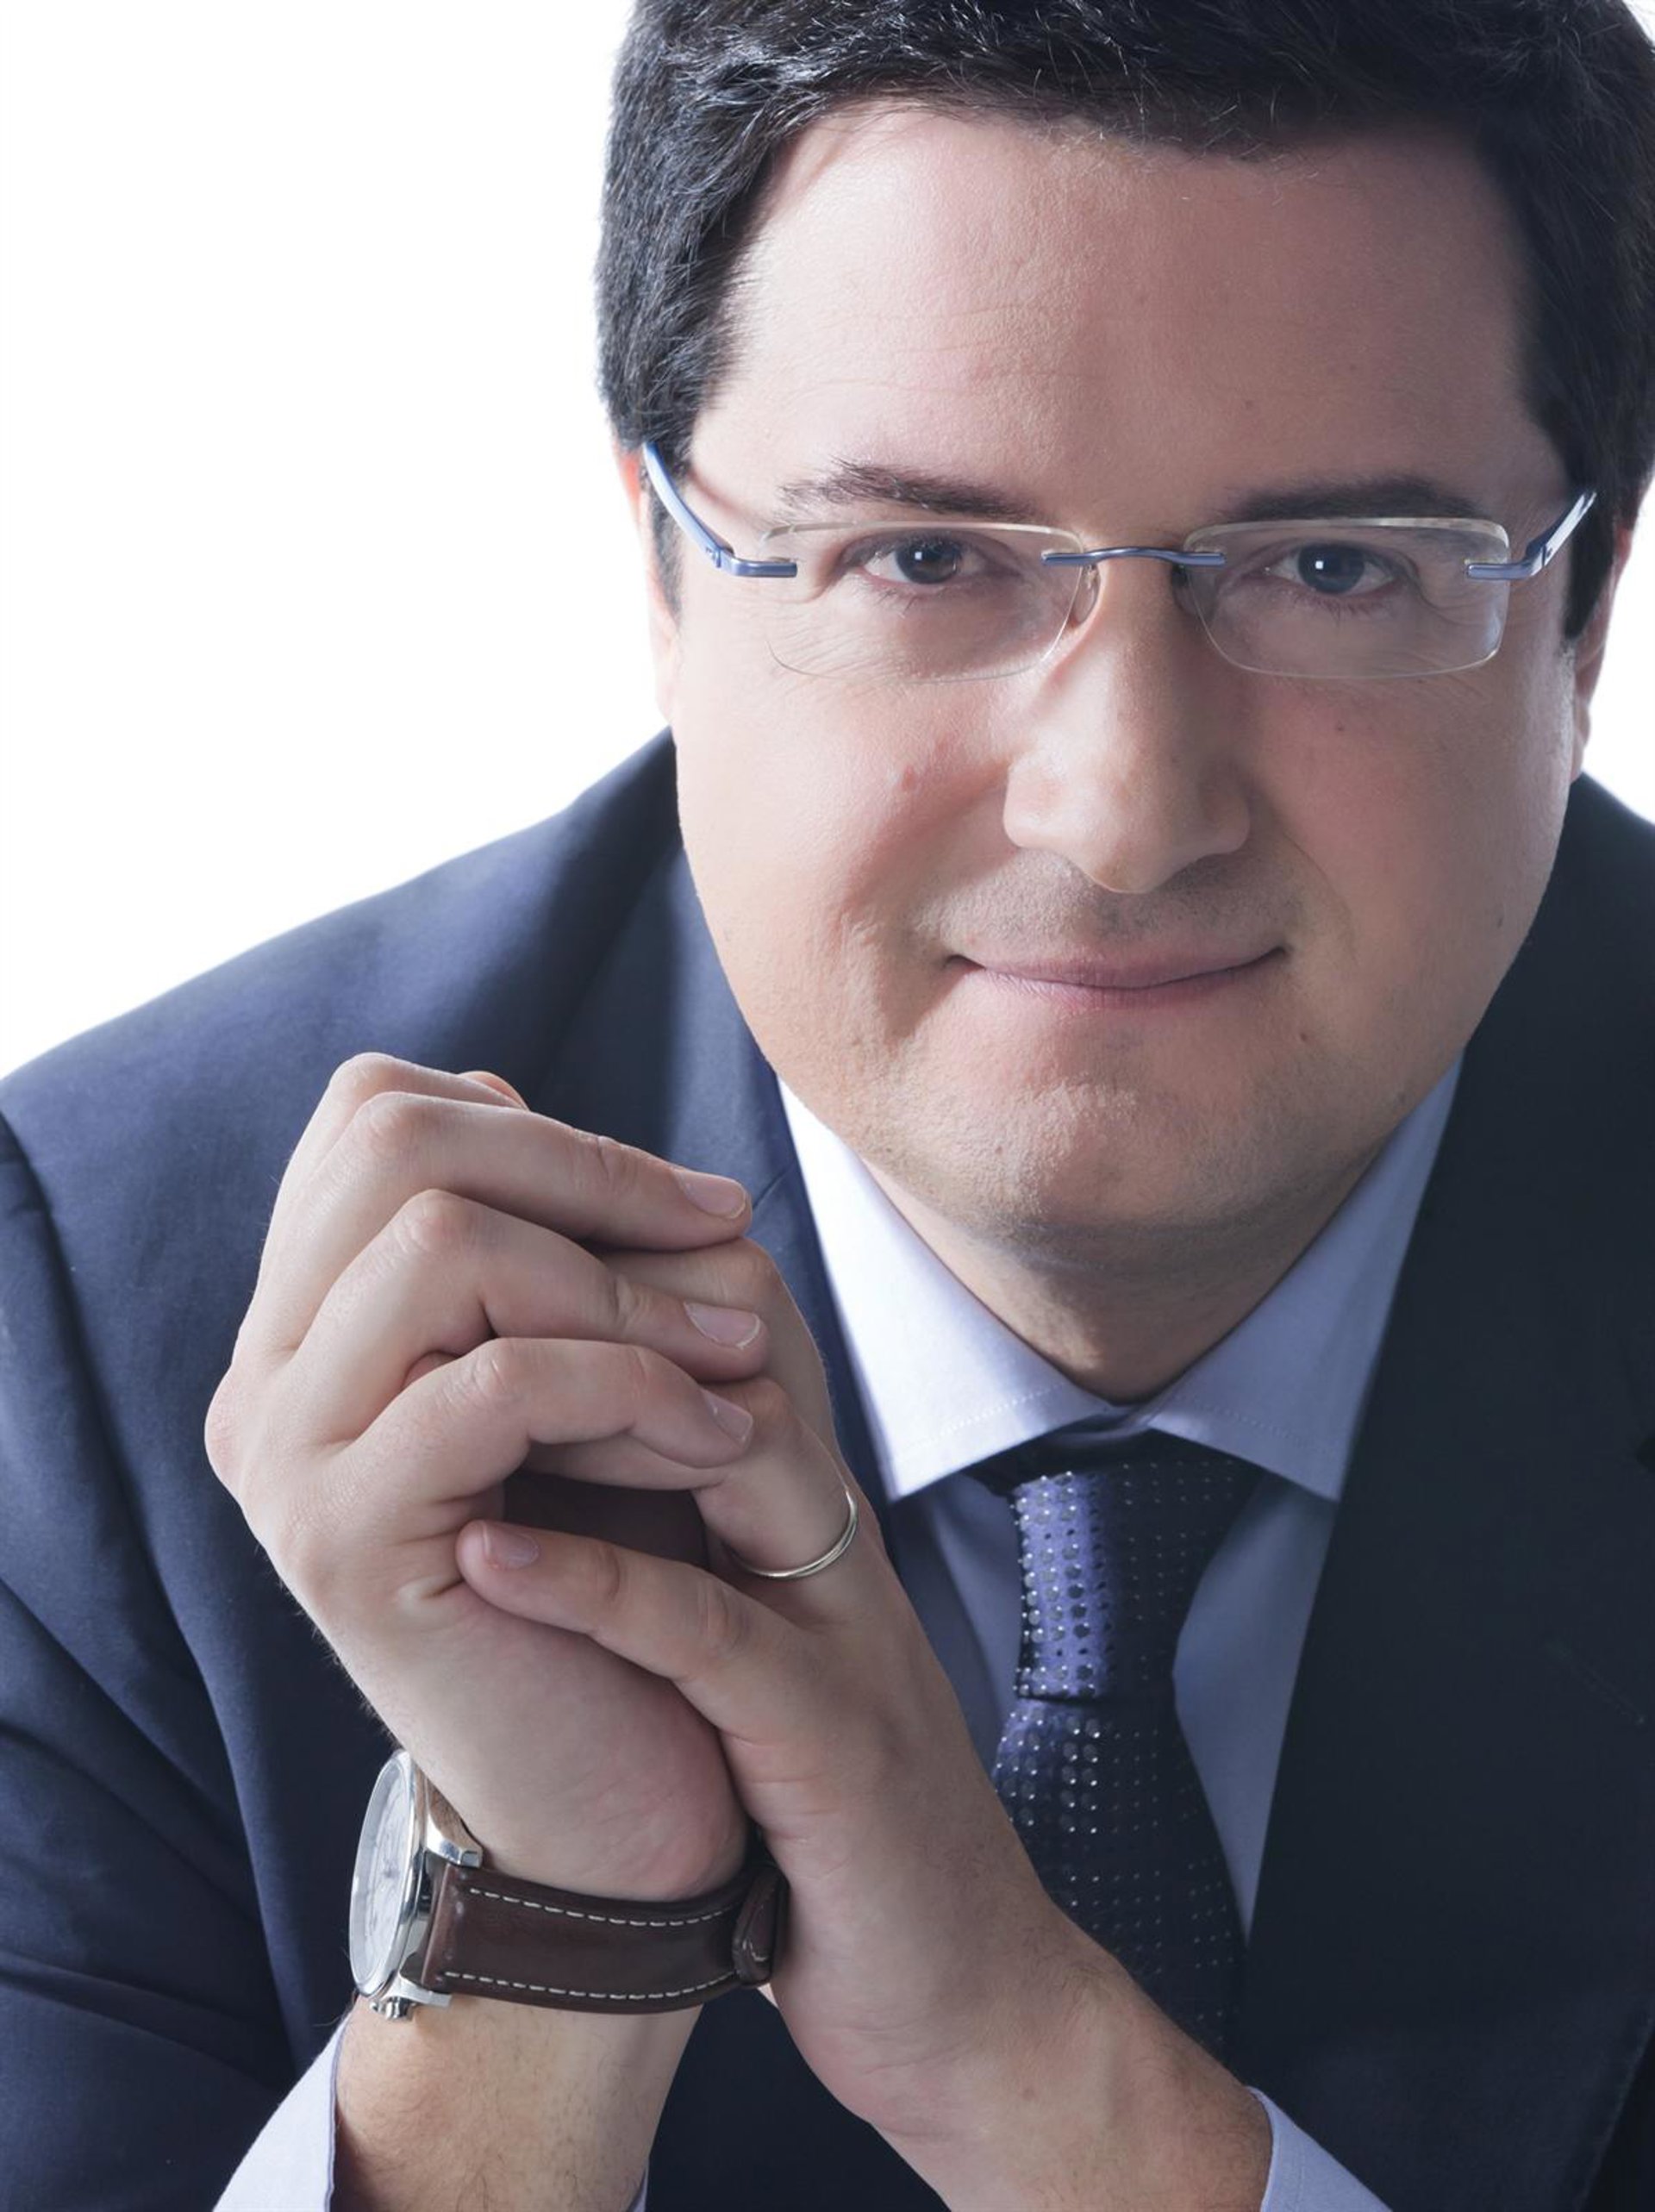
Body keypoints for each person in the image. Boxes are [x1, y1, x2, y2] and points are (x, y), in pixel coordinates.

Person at [3, 0, 1654, 2205]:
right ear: (663, 574)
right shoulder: (81, 1337)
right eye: (927, 558)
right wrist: (549, 1936)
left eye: (1336, 566)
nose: (1119, 811)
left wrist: (1032, 2068)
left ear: (1586, 614)